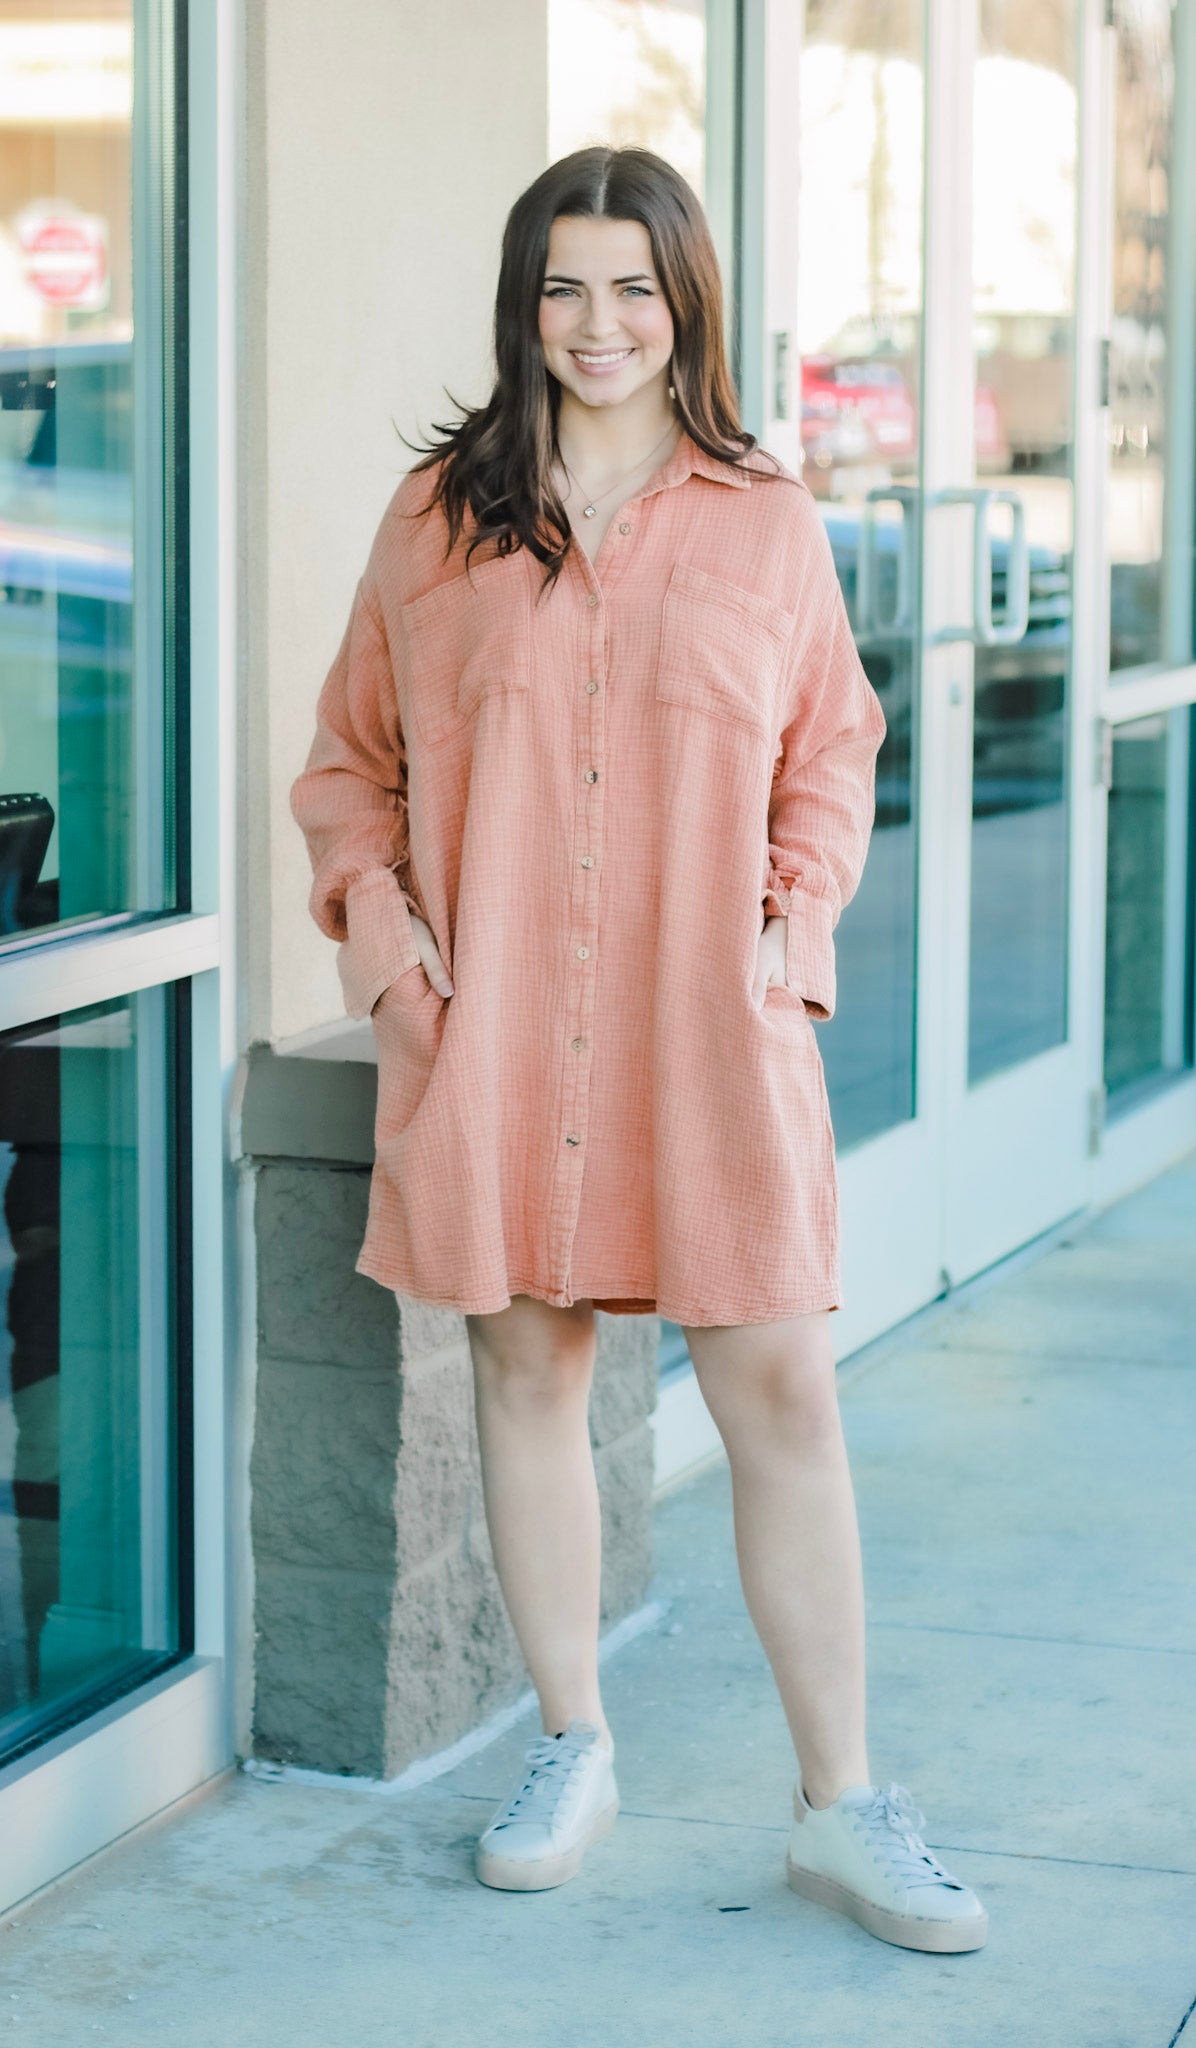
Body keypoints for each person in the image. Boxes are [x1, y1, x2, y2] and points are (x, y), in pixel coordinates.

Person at [291, 145, 988, 1955]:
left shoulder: (766, 519)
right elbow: (349, 769)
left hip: (709, 1031)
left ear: (685, 305)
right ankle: (572, 1744)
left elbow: (832, 750)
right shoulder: (439, 519)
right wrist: (398, 967)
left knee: (783, 1393)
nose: (597, 326)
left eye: (632, 289)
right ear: (522, 304)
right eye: (563, 288)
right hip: (500, 1035)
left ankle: (842, 1803)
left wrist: (787, 931)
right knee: (528, 1371)